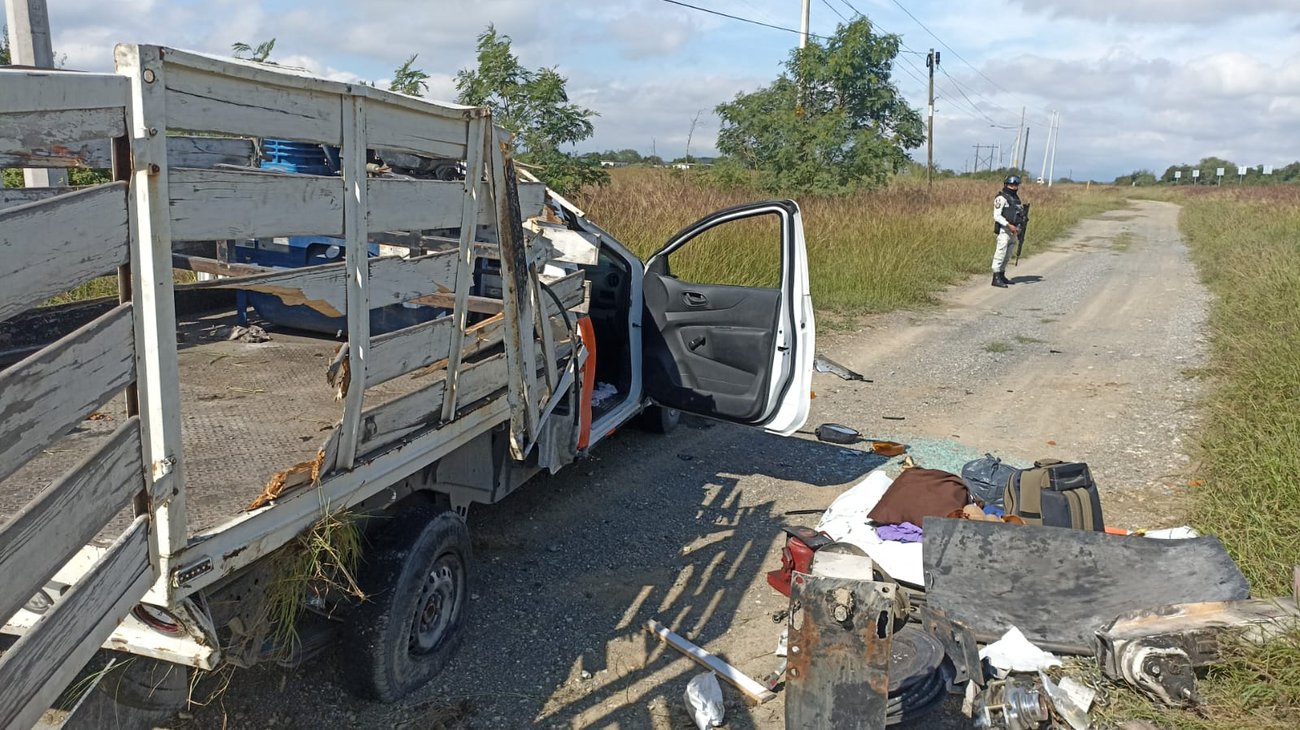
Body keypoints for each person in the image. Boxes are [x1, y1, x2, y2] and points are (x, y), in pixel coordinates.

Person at [990, 175, 1025, 288]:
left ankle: (1002, 275)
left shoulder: (1016, 199)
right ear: (1006, 185)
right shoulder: (1001, 198)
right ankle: (996, 277)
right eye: (1011, 185)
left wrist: (1019, 227)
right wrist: (1008, 225)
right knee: (1000, 253)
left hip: (1014, 231)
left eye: (1016, 185)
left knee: (1008, 254)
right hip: (1004, 230)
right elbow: (996, 216)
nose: (1014, 187)